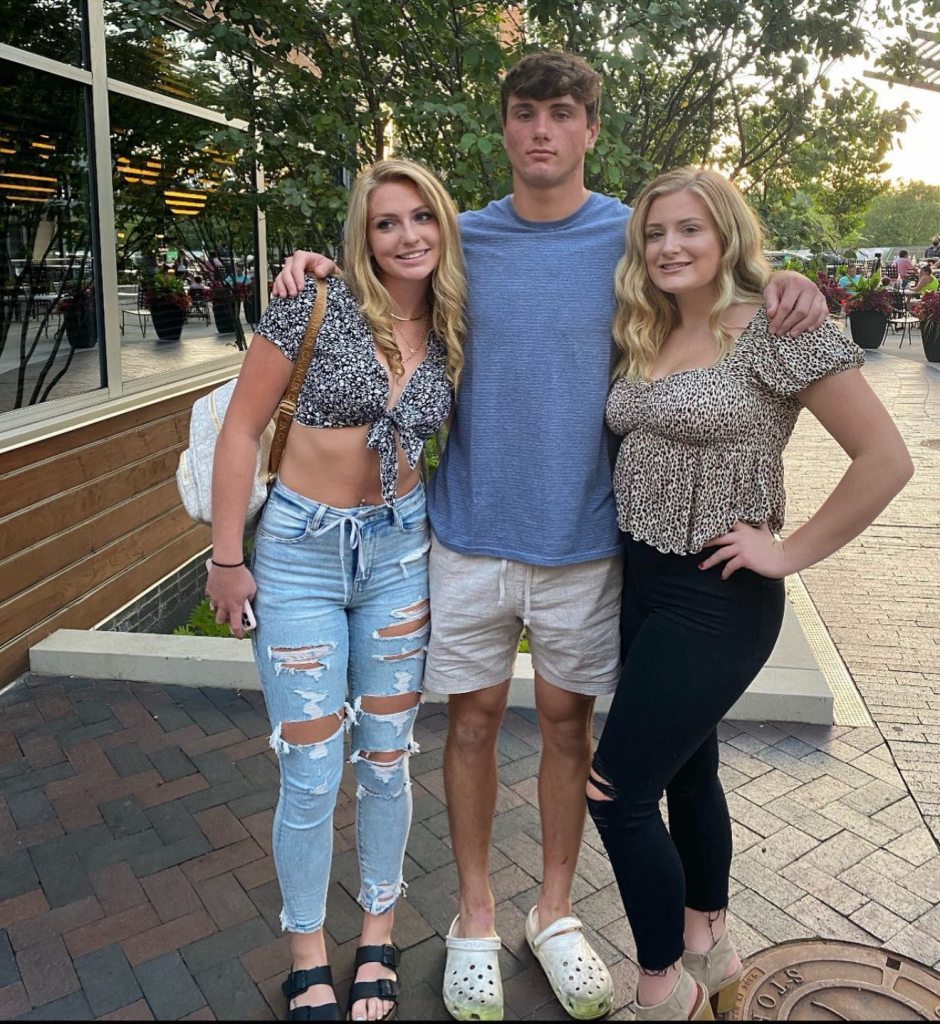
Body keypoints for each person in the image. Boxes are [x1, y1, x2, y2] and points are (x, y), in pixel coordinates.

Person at [272, 51, 829, 1023]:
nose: (540, 130)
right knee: (474, 723)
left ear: (588, 129)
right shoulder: (462, 238)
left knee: (570, 729)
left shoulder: (632, 238)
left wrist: (786, 280)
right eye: (524, 113)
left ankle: (557, 911)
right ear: (505, 128)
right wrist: (310, 265)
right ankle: (477, 917)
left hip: (585, 542)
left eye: (560, 113)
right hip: (469, 532)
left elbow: (713, 285)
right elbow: (380, 266)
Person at [587, 166, 913, 1021]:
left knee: (616, 794)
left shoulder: (774, 327)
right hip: (643, 583)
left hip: (719, 596)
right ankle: (711, 944)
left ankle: (666, 992)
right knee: (691, 773)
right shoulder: (641, 330)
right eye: (655, 233)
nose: (669, 246)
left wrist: (789, 552)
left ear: (726, 235)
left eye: (690, 229)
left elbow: (886, 459)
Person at [207, 158, 466, 1023]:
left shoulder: (459, 326)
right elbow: (243, 430)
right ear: (364, 232)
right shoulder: (311, 301)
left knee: (388, 765)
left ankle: (378, 938)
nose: (407, 236)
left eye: (421, 217)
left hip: (398, 555)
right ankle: (308, 952)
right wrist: (225, 557)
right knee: (312, 772)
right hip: (299, 559)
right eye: (387, 221)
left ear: (443, 225)